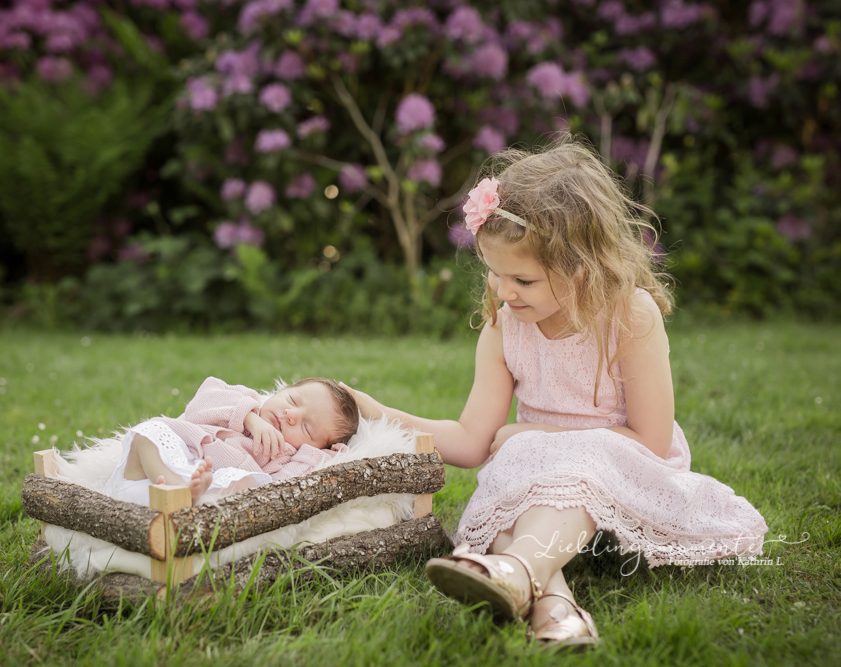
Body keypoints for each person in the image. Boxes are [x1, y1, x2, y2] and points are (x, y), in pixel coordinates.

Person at [343, 135, 768, 649]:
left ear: (581, 267)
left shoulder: (629, 316)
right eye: (495, 273)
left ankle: (520, 567)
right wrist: (380, 413)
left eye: (521, 278)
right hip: (539, 490)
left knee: (524, 450)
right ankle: (553, 605)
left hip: (625, 476)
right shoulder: (505, 325)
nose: (503, 292)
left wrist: (532, 432)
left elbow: (651, 442)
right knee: (507, 474)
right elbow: (472, 441)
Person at [103, 376, 360, 507]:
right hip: (146, 480)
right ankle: (177, 488)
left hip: (209, 494)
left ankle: (186, 495)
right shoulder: (243, 401)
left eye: (307, 427)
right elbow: (200, 403)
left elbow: (283, 486)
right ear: (282, 391)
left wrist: (321, 456)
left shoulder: (286, 454)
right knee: (148, 433)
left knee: (246, 483)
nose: (290, 416)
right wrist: (249, 418)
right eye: (292, 401)